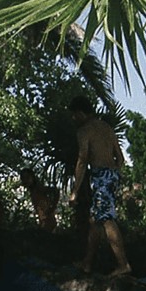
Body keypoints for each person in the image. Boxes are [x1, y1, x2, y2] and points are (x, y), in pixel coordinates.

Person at [69, 96, 131, 276]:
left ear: (80, 113)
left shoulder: (84, 131)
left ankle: (123, 264)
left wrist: (75, 191)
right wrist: (112, 174)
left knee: (106, 219)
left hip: (101, 176)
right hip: (111, 175)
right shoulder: (106, 127)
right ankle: (87, 263)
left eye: (74, 115)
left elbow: (82, 161)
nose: (73, 119)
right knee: (95, 221)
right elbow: (120, 158)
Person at [19, 167, 59, 231]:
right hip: (43, 222)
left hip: (48, 222)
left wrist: (53, 207)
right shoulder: (32, 191)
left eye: (27, 178)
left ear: (32, 177)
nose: (25, 181)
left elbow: (56, 191)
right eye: (23, 178)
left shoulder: (39, 188)